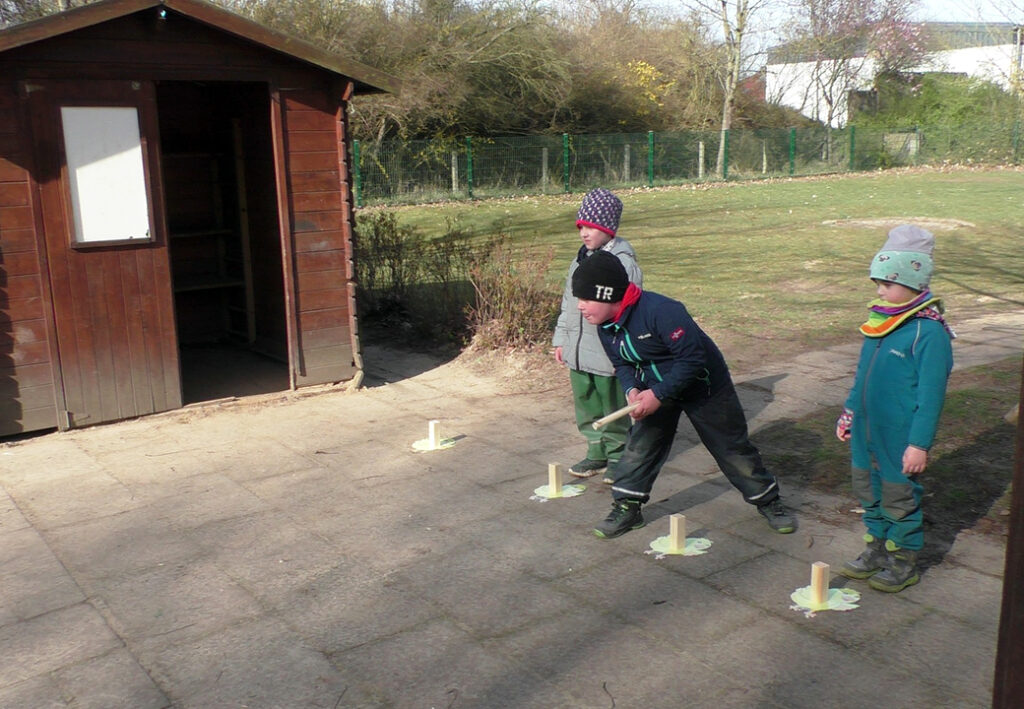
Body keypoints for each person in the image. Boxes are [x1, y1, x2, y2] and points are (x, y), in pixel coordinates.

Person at [570, 250, 796, 538]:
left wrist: (657, 395)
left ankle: (768, 500)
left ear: (608, 294)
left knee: (730, 447)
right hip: (655, 387)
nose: (580, 306)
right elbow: (622, 363)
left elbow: (692, 359)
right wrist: (633, 389)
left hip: (704, 384)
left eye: (586, 298)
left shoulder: (663, 311)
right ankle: (627, 507)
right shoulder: (605, 326)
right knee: (640, 446)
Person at [836, 224, 954, 593]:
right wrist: (850, 412)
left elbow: (931, 397)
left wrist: (919, 444)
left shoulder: (928, 333)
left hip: (899, 436)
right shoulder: (881, 323)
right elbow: (863, 376)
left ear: (912, 281)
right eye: (878, 282)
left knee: (898, 497)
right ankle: (876, 548)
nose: (879, 290)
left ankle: (903, 560)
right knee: (868, 490)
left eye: (887, 282)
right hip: (866, 430)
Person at [552, 188, 642, 481]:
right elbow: (568, 303)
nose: (584, 233)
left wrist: (623, 348)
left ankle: (618, 454)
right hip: (578, 350)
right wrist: (562, 339)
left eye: (591, 227)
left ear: (608, 228)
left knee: (612, 404)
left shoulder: (623, 264)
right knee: (586, 402)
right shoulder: (578, 261)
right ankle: (596, 451)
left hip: (607, 354)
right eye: (580, 227)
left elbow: (629, 308)